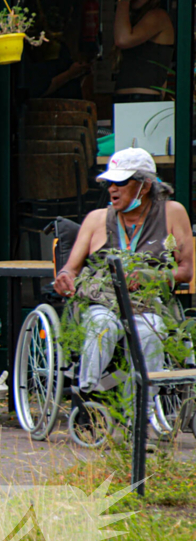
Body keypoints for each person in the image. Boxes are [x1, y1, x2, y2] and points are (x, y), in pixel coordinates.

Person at [53, 148, 193, 398]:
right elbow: (71, 268)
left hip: (147, 304)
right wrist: (64, 275)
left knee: (151, 332)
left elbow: (185, 271)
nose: (112, 189)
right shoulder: (96, 219)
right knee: (103, 325)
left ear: (145, 185)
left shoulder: (172, 212)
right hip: (101, 301)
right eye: (109, 183)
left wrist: (153, 277)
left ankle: (142, 410)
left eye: (120, 182)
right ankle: (87, 394)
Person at [113, 0, 174, 102]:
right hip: (125, 99)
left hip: (144, 99)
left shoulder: (158, 16)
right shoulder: (132, 21)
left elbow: (123, 40)